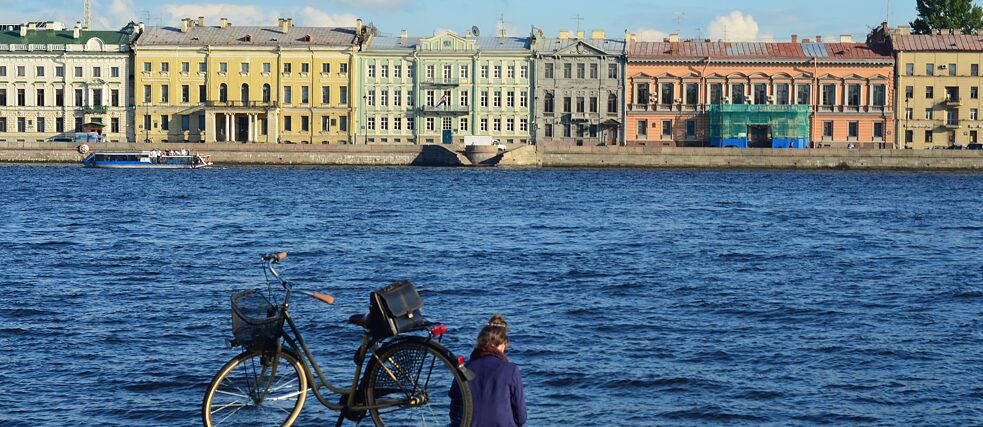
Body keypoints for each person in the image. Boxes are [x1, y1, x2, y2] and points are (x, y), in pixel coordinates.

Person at [451, 314, 527, 427]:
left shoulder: (464, 369)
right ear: (503, 344)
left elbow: (454, 412)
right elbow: (521, 418)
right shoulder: (511, 370)